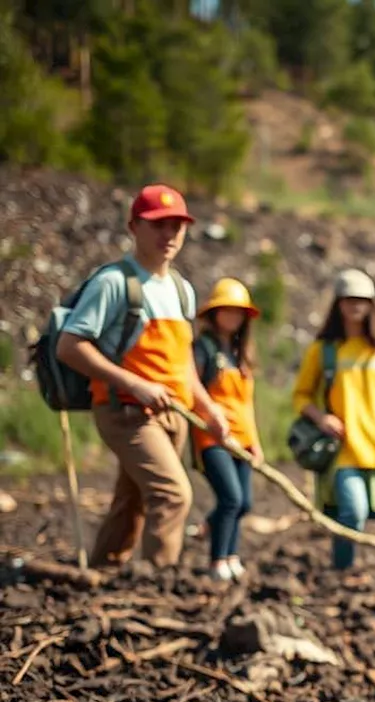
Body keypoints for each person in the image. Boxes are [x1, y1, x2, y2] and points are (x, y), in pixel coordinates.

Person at [55, 184, 229, 568]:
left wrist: (209, 409)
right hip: (127, 411)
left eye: (176, 226)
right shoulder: (114, 283)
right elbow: (69, 346)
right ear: (134, 226)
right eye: (158, 226)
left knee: (132, 500)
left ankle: (104, 570)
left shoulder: (182, 290)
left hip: (174, 415)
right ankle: (159, 584)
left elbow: (182, 366)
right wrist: (134, 383)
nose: (168, 235)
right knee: (173, 494)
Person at [291, 269, 375, 570]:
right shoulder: (324, 350)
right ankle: (342, 576)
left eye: (361, 300)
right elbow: (301, 396)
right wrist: (322, 419)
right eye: (348, 300)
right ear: (339, 304)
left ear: (372, 304)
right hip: (345, 449)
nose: (355, 306)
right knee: (352, 514)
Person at [191, 278, 264, 582]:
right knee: (230, 498)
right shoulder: (203, 348)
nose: (233, 317)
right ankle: (217, 561)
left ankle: (230, 552)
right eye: (227, 310)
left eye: (238, 312)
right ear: (214, 312)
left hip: (242, 440)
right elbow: (190, 384)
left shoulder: (240, 353)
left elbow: (247, 405)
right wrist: (211, 413)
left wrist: (256, 443)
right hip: (214, 437)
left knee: (243, 503)